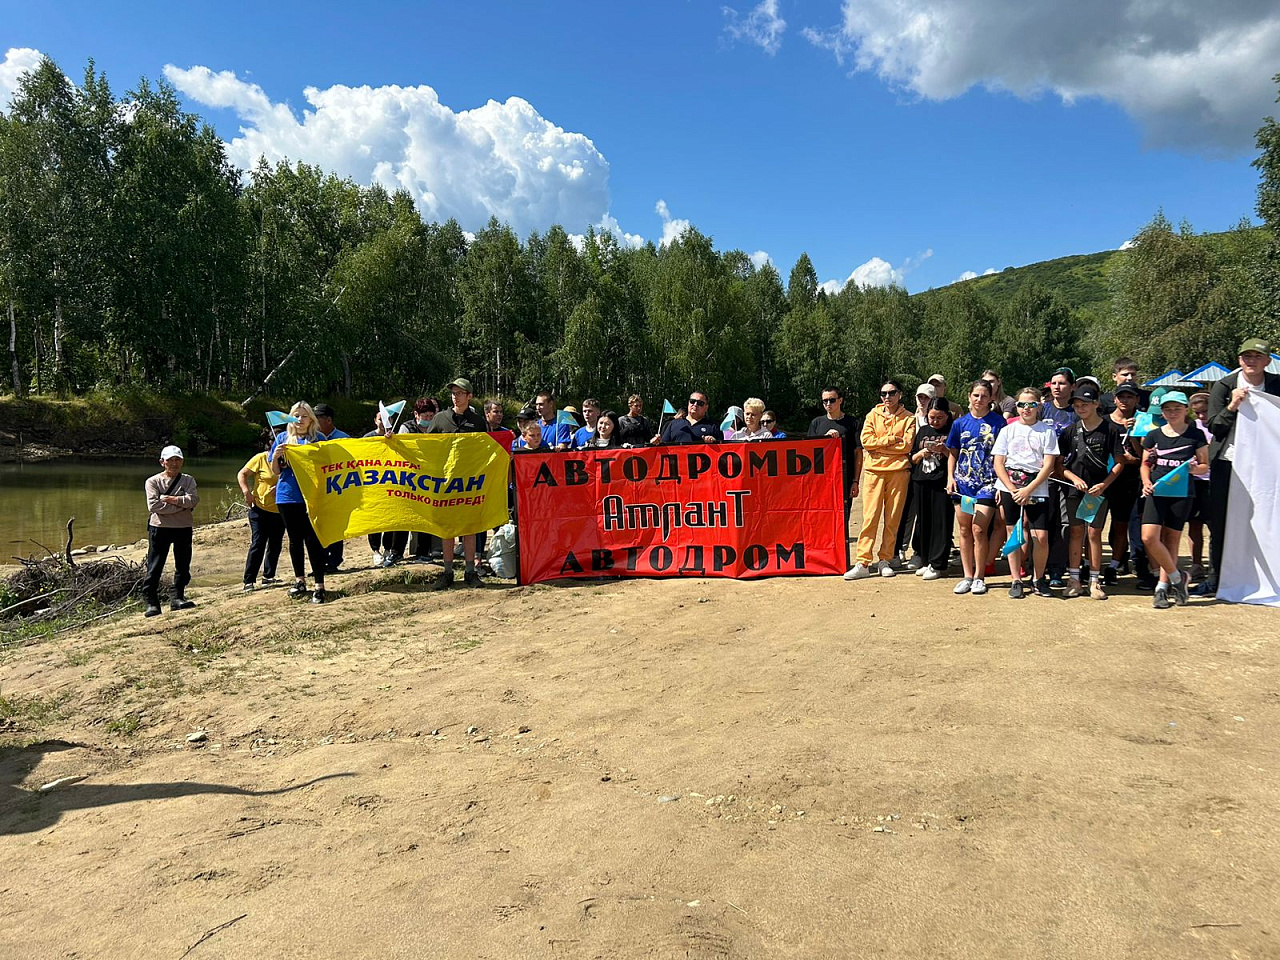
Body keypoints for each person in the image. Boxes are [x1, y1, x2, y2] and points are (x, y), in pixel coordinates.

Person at [1201, 337, 1280, 595]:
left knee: (1267, 517)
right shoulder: (1224, 386)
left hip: (1266, 464)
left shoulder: (1276, 385)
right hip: (1228, 463)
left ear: (1268, 361)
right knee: (1220, 520)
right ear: (1239, 360)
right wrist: (1232, 406)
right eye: (1246, 356)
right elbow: (1214, 427)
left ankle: (1268, 574)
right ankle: (1216, 575)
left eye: (1257, 357)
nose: (1251, 361)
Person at [1141, 391, 1210, 609]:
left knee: (1171, 540)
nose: (1172, 412)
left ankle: (1162, 587)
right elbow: (1145, 464)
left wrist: (1193, 469)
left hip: (1182, 493)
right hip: (1156, 491)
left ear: (1185, 410)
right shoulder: (1154, 436)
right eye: (1167, 409)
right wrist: (1145, 482)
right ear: (1162, 411)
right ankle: (1179, 579)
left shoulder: (1195, 435)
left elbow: (1204, 465)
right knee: (1149, 537)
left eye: (1177, 408)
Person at [992, 387, 1059, 599]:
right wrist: (1013, 490)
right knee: (1013, 534)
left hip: (1037, 486)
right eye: (1022, 404)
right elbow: (998, 463)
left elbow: (1048, 465)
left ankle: (1038, 579)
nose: (1026, 408)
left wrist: (1029, 489)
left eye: (1031, 404)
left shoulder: (1047, 431)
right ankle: (1016, 579)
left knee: (1041, 536)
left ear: (1039, 405)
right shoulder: (1007, 430)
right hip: (1010, 487)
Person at [1059, 381, 1124, 600]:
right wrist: (1073, 478)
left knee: (1095, 534)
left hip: (1099, 491)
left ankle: (1095, 581)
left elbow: (1119, 463)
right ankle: (1074, 579)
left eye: (1085, 403)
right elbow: (1059, 465)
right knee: (1076, 532)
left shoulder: (1111, 430)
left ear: (1096, 403)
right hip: (1075, 490)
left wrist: (1105, 484)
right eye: (1076, 404)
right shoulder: (1070, 431)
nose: (1080, 408)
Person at [846, 380, 916, 580]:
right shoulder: (872, 415)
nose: (887, 397)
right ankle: (863, 561)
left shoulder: (909, 418)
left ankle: (885, 559)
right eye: (883, 393)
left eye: (892, 393)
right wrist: (892, 439)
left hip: (898, 472)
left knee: (893, 518)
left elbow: (907, 446)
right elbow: (866, 442)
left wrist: (880, 445)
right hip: (874, 471)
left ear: (899, 394)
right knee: (870, 517)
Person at [425, 377, 489, 589]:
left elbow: (487, 451)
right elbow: (425, 447)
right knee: (447, 529)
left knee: (469, 528)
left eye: (460, 393)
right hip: (445, 482)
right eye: (453, 392)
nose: (455, 396)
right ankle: (448, 572)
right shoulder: (440, 419)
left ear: (469, 396)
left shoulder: (478, 422)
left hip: (470, 483)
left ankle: (470, 571)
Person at [946, 380, 1005, 596]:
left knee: (979, 529)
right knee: (964, 530)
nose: (979, 400)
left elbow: (1003, 456)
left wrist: (1002, 484)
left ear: (991, 398)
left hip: (988, 483)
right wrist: (950, 478)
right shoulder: (959, 424)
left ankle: (980, 576)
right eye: (976, 395)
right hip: (963, 484)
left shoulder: (999, 423)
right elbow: (953, 452)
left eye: (984, 396)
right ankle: (967, 575)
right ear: (969, 396)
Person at [269, 401, 329, 604]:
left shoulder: (318, 439)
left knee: (313, 539)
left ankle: (319, 585)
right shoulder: (282, 438)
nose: (300, 420)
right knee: (294, 540)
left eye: (304, 416)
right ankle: (299, 580)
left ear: (311, 418)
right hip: (287, 496)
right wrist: (276, 456)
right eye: (296, 415)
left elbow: (328, 467)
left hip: (311, 496)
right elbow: (275, 471)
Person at [142, 444, 200, 617]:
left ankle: (177, 598)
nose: (174, 463)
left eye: (178, 460)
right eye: (170, 460)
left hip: (183, 527)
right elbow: (153, 505)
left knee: (183, 564)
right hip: (160, 528)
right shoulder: (152, 481)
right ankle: (152, 602)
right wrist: (181, 505)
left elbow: (193, 500)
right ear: (162, 462)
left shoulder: (188, 480)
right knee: (155, 565)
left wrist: (172, 500)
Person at [807, 386, 863, 553]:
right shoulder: (817, 423)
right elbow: (808, 452)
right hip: (822, 480)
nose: (828, 404)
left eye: (832, 400)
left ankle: (839, 555)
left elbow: (858, 454)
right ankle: (823, 553)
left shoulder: (853, 423)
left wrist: (855, 481)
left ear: (840, 400)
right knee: (822, 517)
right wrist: (823, 440)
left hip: (844, 479)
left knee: (842, 518)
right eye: (825, 401)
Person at [1102, 383, 1145, 585]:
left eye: (1129, 397)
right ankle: (1088, 563)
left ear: (1136, 399)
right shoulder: (1103, 422)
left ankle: (1114, 565)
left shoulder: (1143, 422)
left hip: (1128, 482)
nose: (1125, 400)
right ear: (1115, 399)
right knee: (1092, 526)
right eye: (1121, 397)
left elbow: (1144, 459)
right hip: (1103, 481)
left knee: (1121, 525)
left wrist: (1135, 434)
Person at [909, 398, 953, 580]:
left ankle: (938, 563)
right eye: (932, 417)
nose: (935, 422)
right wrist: (921, 453)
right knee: (924, 521)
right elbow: (912, 458)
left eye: (939, 418)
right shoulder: (923, 430)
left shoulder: (952, 430)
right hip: (921, 480)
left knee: (941, 523)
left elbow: (956, 456)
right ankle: (926, 559)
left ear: (947, 416)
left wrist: (943, 450)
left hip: (942, 481)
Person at [237, 426, 286, 591]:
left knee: (275, 544)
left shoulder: (291, 460)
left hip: (281, 510)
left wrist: (280, 486)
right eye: (277, 442)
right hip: (259, 508)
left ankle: (268, 576)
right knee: (258, 543)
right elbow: (242, 474)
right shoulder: (261, 458)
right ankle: (249, 580)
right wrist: (246, 492)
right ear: (271, 443)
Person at [313, 403, 350, 574]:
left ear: (328, 420)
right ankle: (319, 561)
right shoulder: (311, 438)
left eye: (317, 419)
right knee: (317, 527)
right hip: (318, 490)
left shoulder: (344, 439)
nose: (313, 422)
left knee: (335, 526)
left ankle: (334, 561)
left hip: (339, 489)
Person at [1186, 391, 1213, 581]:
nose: (1201, 416)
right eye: (1197, 413)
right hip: (1195, 482)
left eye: (1205, 412)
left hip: (1214, 482)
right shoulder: (1192, 429)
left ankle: (1215, 563)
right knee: (1194, 525)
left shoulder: (1220, 427)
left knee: (1214, 525)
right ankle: (1196, 564)